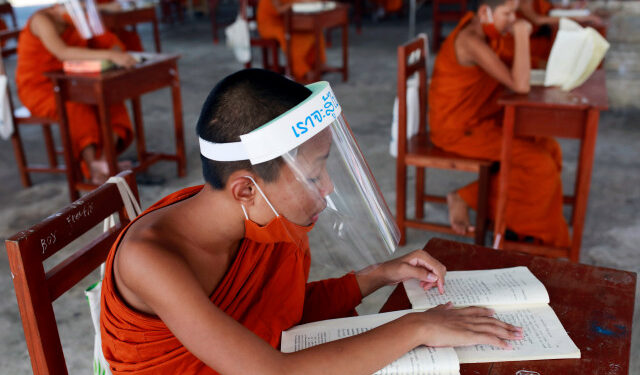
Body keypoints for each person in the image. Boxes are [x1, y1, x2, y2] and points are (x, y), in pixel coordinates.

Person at [100, 69, 522, 374]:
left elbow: (282, 314)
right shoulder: (151, 261)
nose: (328, 186)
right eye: (313, 174)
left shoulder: (258, 217)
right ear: (246, 189)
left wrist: (379, 275)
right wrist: (418, 326)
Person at [428, 0, 570, 247]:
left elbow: (517, 64)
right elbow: (520, 85)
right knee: (539, 165)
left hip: (484, 120)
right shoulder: (470, 41)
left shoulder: (488, 33)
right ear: (485, 12)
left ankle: (511, 222)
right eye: (507, 13)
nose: (513, 19)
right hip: (457, 129)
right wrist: (523, 34)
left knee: (550, 148)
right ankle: (534, 237)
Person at [16, 2, 137, 184]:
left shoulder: (81, 20)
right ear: (61, 6)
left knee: (109, 98)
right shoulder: (42, 20)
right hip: (39, 88)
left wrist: (114, 50)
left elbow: (106, 41)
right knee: (74, 106)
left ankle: (105, 160)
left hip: (71, 82)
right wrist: (110, 56)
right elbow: (62, 53)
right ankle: (92, 166)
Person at [257, 0, 325, 82]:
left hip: (286, 22)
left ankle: (314, 65)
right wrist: (296, 3)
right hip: (270, 25)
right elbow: (279, 9)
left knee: (310, 33)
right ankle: (303, 71)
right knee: (290, 39)